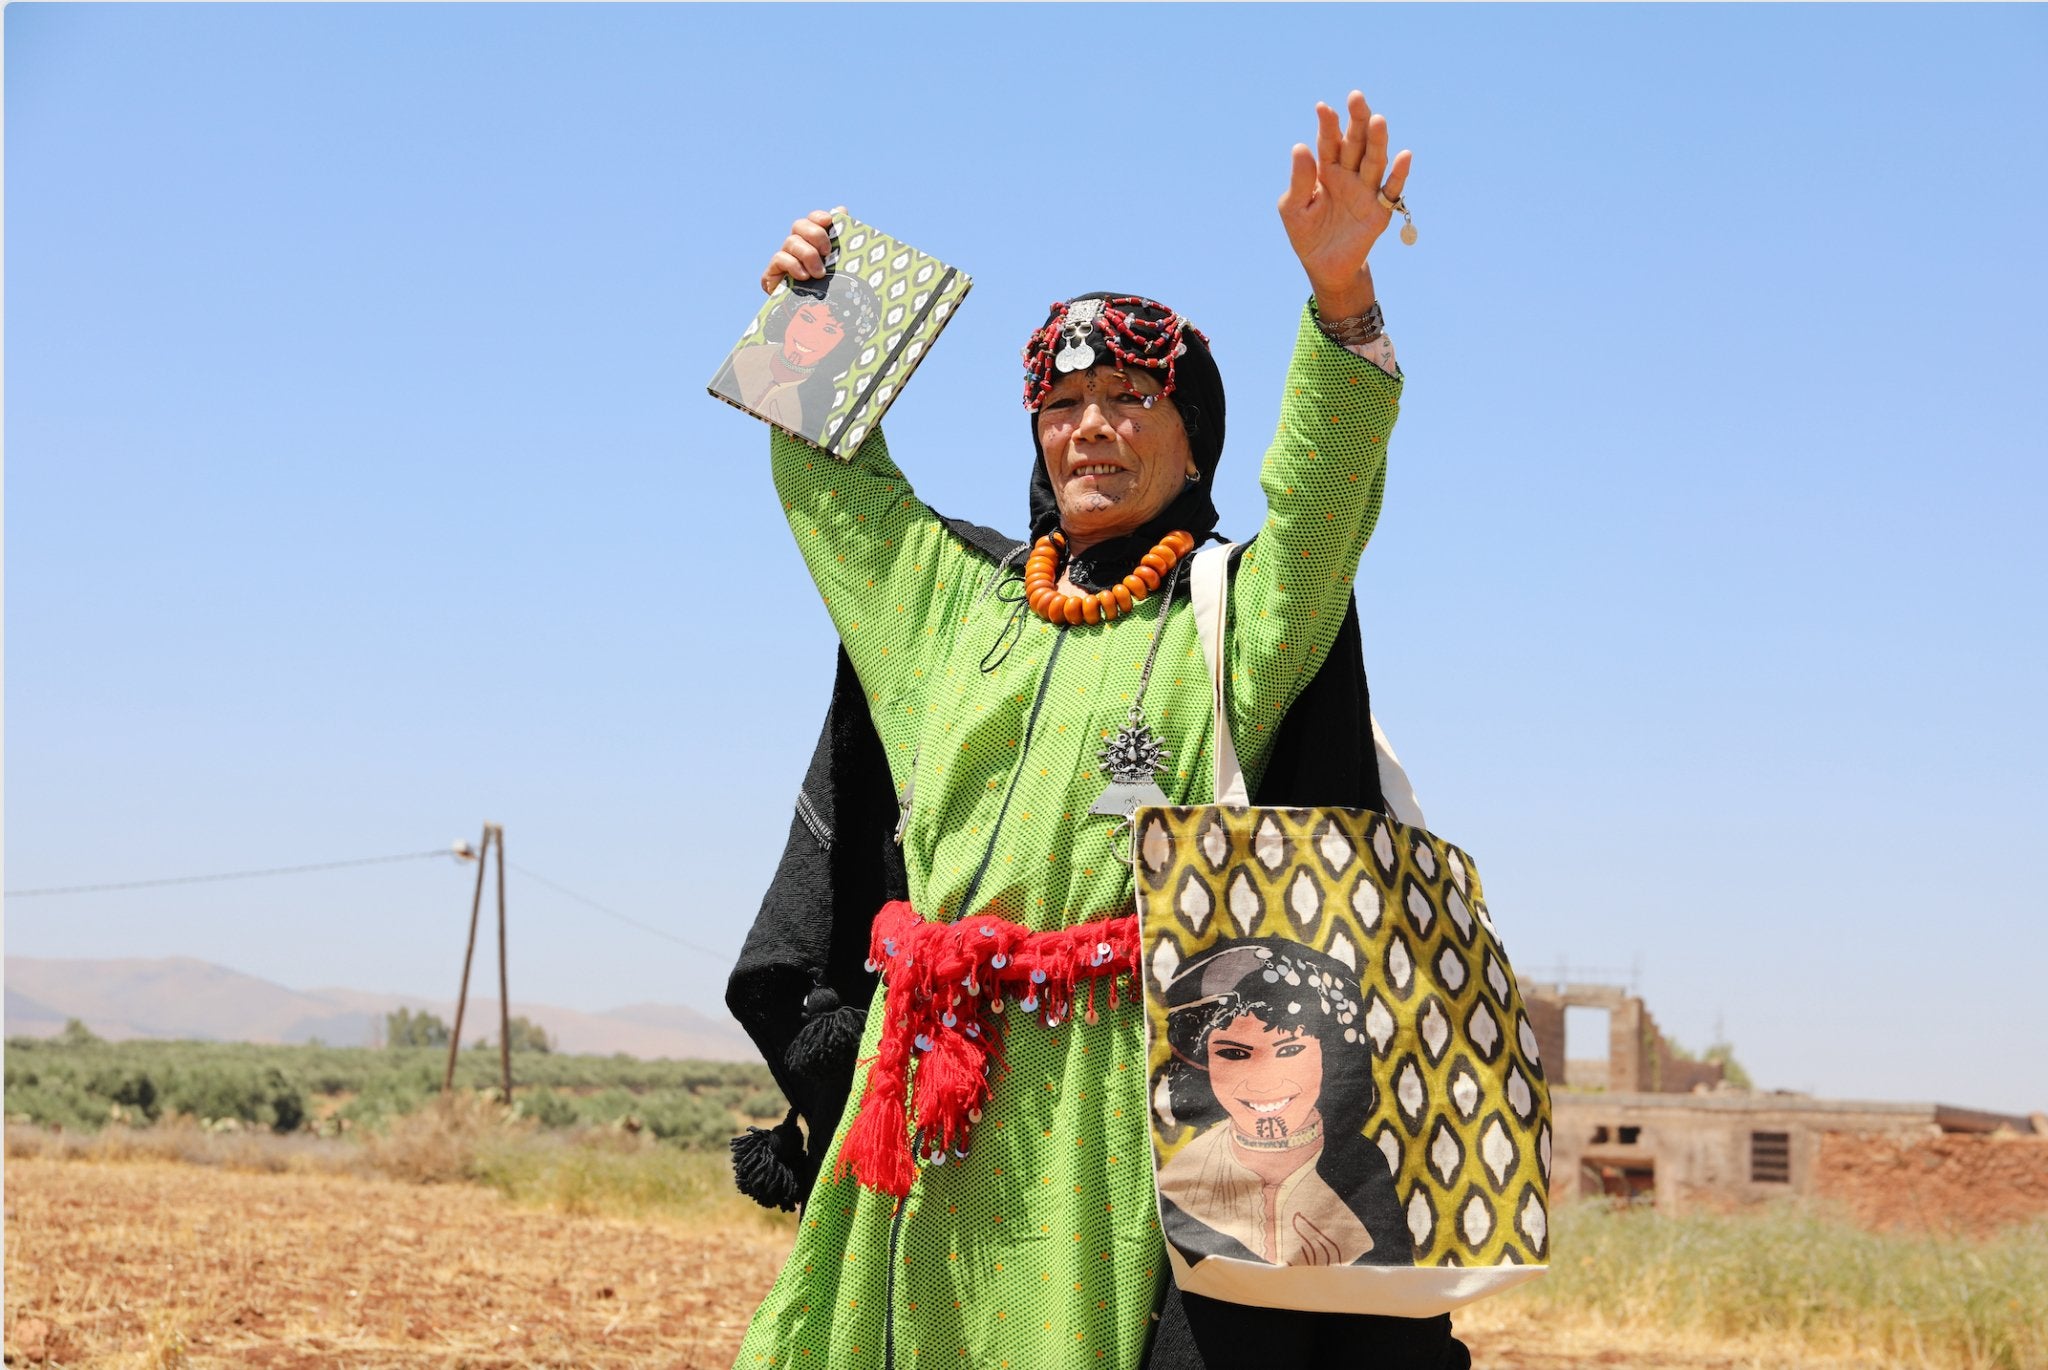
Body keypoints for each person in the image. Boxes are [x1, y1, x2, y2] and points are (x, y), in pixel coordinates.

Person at [726, 90, 1468, 1369]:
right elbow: (827, 481)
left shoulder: (1234, 620)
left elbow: (1320, 506)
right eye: (1062, 403)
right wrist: (812, 310)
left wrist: (1340, 294)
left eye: (1130, 396)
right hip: (924, 1088)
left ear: (1193, 442)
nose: (1091, 426)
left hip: (1114, 1103)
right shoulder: (950, 607)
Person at [1156, 940, 1411, 1270]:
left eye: (1290, 1050)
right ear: (1201, 1063)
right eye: (1234, 1054)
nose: (1264, 1084)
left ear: (1330, 1056)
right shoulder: (1185, 1174)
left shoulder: (1362, 1165)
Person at [709, 268, 881, 435]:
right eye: (807, 318)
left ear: (843, 343)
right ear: (790, 314)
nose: (810, 336)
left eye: (829, 330)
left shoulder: (823, 395)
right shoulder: (743, 359)